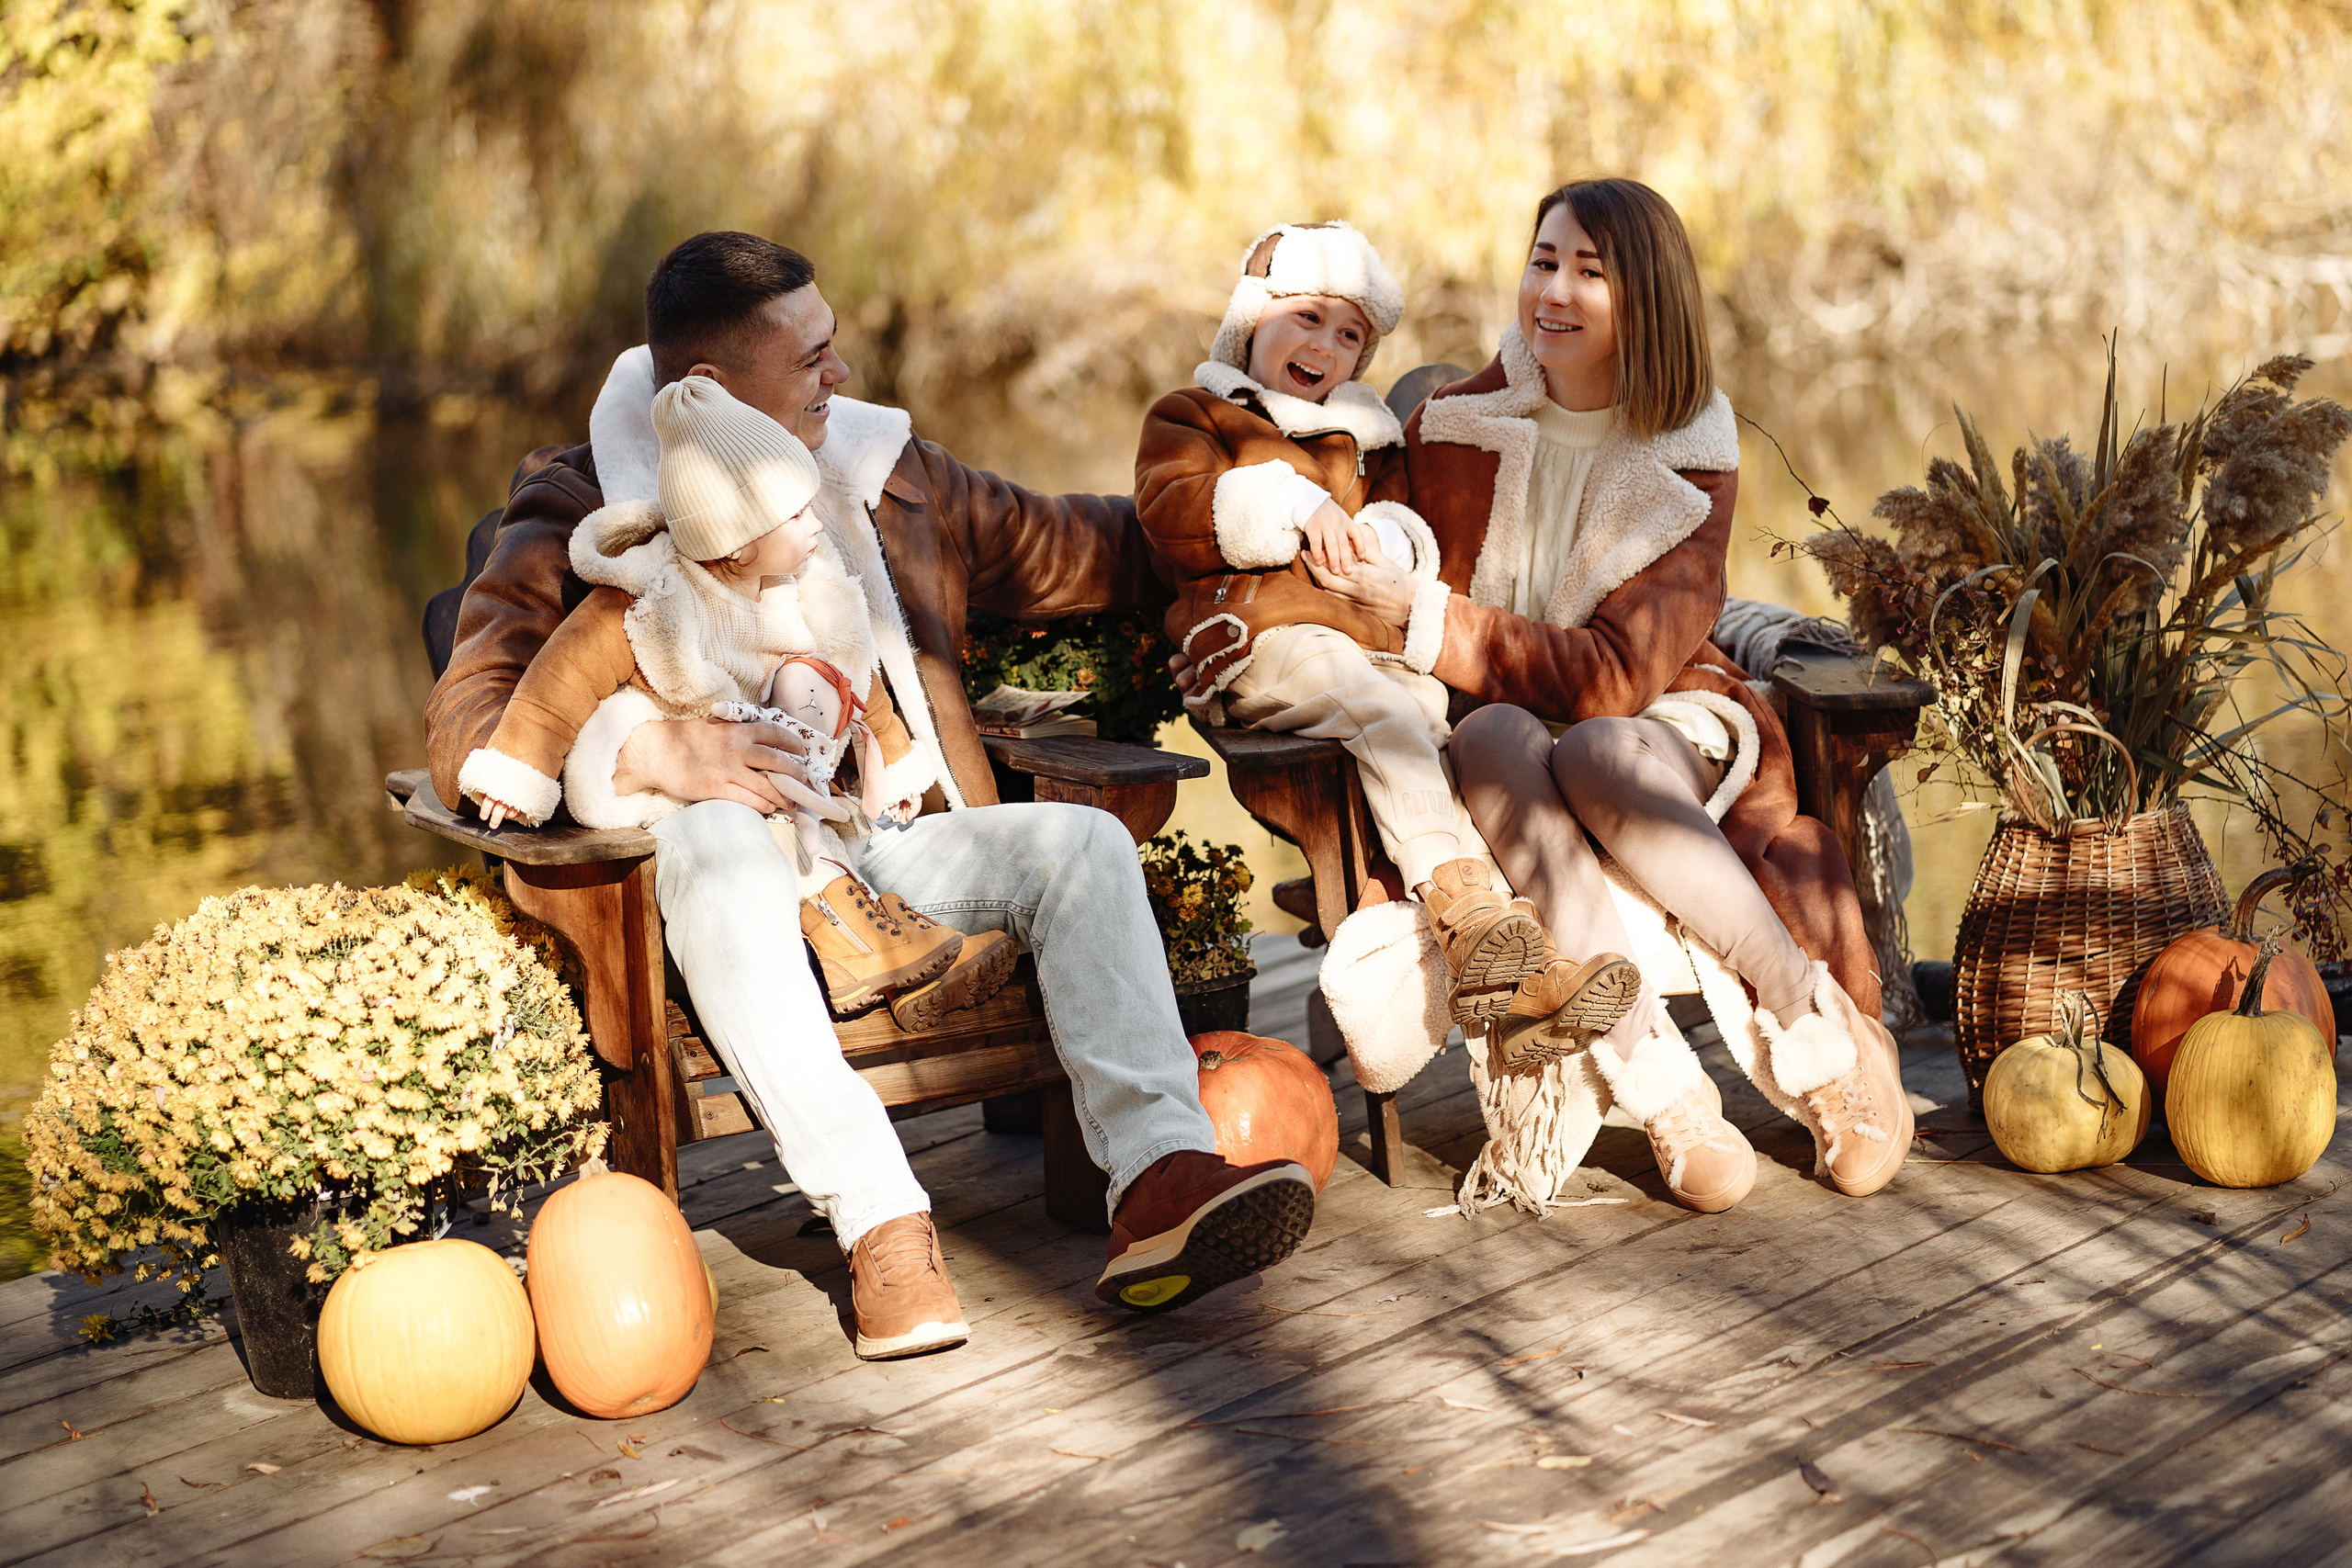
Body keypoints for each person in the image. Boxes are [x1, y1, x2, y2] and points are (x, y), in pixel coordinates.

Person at [425, 231, 1317, 1359]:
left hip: (874, 843)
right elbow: (474, 725)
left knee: (1083, 848)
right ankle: (884, 1225)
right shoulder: (581, 511)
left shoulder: (876, 469)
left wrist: (1269, 519)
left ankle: (1158, 1182)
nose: (840, 376)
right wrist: (649, 752)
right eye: (812, 358)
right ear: (707, 387)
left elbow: (1089, 546)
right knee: (715, 837)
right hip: (726, 882)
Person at [1304, 179, 1910, 1214]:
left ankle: (1813, 1022)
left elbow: (1614, 680)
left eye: (1590, 271)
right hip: (1499, 736)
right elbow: (1375, 548)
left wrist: (1430, 618)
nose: (1555, 291)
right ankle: (1660, 1086)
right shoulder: (1453, 421)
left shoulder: (1689, 454)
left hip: (1662, 725)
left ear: (1646, 300)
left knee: (1596, 747)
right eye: (1545, 260)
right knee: (1494, 733)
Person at [1134, 220, 1637, 1040]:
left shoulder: (1365, 440)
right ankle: (1470, 921)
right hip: (1258, 638)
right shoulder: (1199, 417)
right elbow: (1172, 511)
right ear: (1252, 318)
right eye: (1307, 317)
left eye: (1349, 335)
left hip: (1359, 639)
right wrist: (1296, 505)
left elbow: (1407, 523)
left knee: (1435, 731)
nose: (1324, 345)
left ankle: (1523, 964)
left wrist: (1390, 543)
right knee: (1384, 714)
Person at [454, 375, 1017, 1030]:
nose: (815, 523)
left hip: (800, 797)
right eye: (797, 513)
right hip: (708, 817)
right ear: (737, 542)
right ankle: (865, 942)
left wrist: (894, 761)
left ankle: (889, 955)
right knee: (775, 835)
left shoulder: (812, 587)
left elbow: (859, 675)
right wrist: (517, 768)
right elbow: (557, 683)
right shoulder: (651, 602)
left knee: (811, 726)